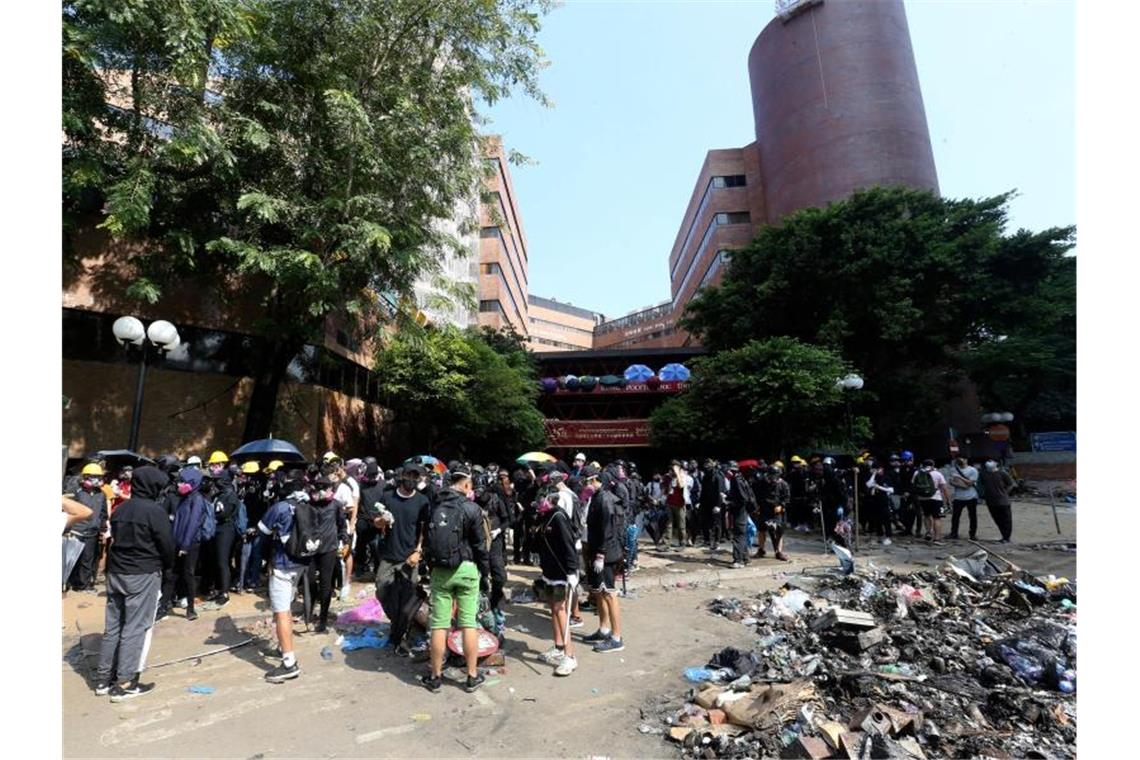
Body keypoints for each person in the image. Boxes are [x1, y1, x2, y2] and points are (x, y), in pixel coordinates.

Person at [93, 466, 175, 701]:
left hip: (116, 572)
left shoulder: (121, 509)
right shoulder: (155, 512)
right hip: (142, 573)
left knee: (113, 626)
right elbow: (167, 545)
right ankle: (125, 682)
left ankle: (103, 679)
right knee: (134, 628)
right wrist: (168, 568)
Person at [420, 464, 490, 694]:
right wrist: (485, 573)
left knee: (439, 624)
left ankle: (435, 676)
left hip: (440, 571)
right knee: (468, 623)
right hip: (467, 569)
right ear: (467, 484)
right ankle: (471, 676)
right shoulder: (472, 508)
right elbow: (480, 545)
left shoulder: (434, 506)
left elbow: (427, 540)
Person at [257, 468, 317, 683]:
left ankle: (289, 663)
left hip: (282, 566)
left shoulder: (280, 507)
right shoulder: (307, 505)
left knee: (281, 612)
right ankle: (283, 647)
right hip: (301, 564)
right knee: (287, 609)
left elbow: (261, 531)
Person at [535, 487, 580, 676]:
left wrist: (572, 571)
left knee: (561, 611)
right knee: (553, 608)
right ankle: (558, 646)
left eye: (541, 500)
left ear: (550, 499)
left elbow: (569, 545)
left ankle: (570, 656)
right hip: (549, 572)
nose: (539, 503)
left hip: (562, 573)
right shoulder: (547, 516)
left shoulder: (559, 517)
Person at [581, 470, 625, 653]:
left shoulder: (605, 499)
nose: (585, 484)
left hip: (606, 553)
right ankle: (604, 629)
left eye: (587, 480)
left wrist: (600, 554)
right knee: (598, 592)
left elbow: (607, 529)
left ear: (595, 480)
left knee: (609, 593)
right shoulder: (597, 497)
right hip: (596, 550)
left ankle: (616, 637)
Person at [307, 468, 348, 633]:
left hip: (329, 548)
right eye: (320, 488)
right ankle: (309, 610)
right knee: (309, 581)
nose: (324, 491)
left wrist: (344, 538)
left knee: (326, 583)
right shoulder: (309, 504)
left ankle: (322, 619)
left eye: (327, 488)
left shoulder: (336, 505)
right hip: (310, 548)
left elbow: (341, 524)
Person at [172, 468, 210, 621]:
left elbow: (193, 524)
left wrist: (185, 546)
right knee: (173, 573)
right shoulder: (184, 497)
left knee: (188, 574)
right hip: (178, 542)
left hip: (189, 544)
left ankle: (190, 609)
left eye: (183, 482)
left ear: (193, 483)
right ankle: (166, 604)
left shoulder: (197, 499)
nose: (180, 484)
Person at [66, 463, 110, 592]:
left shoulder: (101, 494)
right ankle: (67, 582)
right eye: (93, 477)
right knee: (72, 558)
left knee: (87, 560)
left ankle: (82, 585)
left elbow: (103, 513)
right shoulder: (76, 493)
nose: (97, 480)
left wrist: (102, 527)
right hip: (76, 532)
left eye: (99, 477)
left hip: (92, 532)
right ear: (85, 477)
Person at [475, 470, 512, 626]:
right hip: (478, 545)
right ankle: (482, 609)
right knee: (480, 579)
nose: (478, 493)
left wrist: (498, 530)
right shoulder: (471, 503)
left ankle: (495, 603)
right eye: (475, 489)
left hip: (495, 544)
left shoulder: (496, 500)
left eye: (481, 489)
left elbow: (507, 520)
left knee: (499, 577)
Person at [207, 468, 242, 607]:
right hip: (217, 529)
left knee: (223, 562)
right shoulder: (219, 494)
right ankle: (218, 589)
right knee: (216, 561)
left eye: (218, 480)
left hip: (226, 530)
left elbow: (224, 514)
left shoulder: (231, 496)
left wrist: (212, 515)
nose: (215, 483)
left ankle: (225, 593)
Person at [753, 466, 791, 561]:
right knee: (761, 530)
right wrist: (757, 506)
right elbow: (757, 495)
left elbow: (787, 498)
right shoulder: (762, 482)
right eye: (771, 475)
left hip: (777, 511)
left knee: (779, 531)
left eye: (775, 475)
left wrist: (781, 506)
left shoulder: (783, 484)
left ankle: (779, 551)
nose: (772, 478)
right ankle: (761, 550)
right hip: (764, 509)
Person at [912, 459, 951, 544]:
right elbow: (944, 488)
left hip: (922, 498)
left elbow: (913, 485)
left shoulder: (917, 473)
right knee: (937, 518)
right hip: (936, 498)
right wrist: (948, 500)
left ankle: (928, 532)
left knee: (926, 515)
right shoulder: (937, 474)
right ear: (933, 465)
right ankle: (937, 538)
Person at [725, 462, 756, 568]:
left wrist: (729, 502)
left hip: (740, 510)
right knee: (742, 533)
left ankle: (738, 561)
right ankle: (746, 558)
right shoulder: (741, 478)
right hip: (742, 510)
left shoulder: (736, 480)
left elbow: (742, 498)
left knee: (739, 534)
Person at [979, 460, 1015, 543]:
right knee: (997, 519)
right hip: (991, 501)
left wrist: (1005, 493)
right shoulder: (983, 474)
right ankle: (1004, 536)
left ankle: (1006, 537)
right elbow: (981, 485)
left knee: (1006, 520)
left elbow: (1010, 484)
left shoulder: (1002, 473)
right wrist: (983, 495)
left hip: (1003, 501)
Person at [947, 456, 980, 541]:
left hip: (971, 497)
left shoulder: (972, 470)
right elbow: (951, 482)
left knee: (972, 516)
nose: (960, 460)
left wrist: (960, 478)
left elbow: (970, 483)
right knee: (955, 516)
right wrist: (962, 485)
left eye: (962, 458)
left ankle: (972, 534)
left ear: (966, 460)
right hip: (958, 497)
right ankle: (954, 533)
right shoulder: (954, 470)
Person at [698, 459, 727, 551]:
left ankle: (717, 541)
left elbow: (720, 491)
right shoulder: (706, 476)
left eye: (708, 466)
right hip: (706, 502)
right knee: (706, 521)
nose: (706, 468)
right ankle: (707, 540)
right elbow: (703, 491)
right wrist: (700, 502)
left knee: (717, 523)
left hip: (716, 502)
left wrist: (718, 505)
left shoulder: (718, 476)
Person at [866, 463, 895, 546]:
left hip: (884, 501)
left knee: (886, 519)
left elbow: (891, 490)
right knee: (877, 519)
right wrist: (873, 475)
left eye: (877, 469)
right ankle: (880, 535)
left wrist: (879, 487)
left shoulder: (886, 477)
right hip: (875, 501)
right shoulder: (874, 477)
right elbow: (868, 484)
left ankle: (888, 536)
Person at [664, 460, 690, 548]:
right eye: (671, 467)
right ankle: (666, 543)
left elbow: (681, 485)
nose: (672, 469)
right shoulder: (667, 477)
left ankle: (682, 542)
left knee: (681, 524)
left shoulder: (683, 476)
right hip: (669, 503)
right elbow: (664, 490)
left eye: (674, 467)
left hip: (680, 504)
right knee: (668, 523)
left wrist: (677, 474)